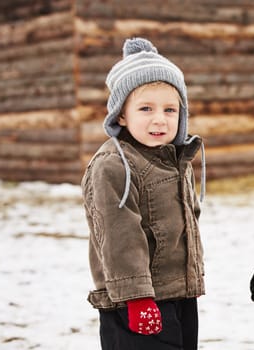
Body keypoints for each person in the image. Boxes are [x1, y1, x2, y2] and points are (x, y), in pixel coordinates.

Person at [81, 37, 205, 350]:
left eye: (170, 110)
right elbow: (118, 236)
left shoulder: (176, 160)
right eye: (146, 108)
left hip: (178, 294)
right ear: (121, 114)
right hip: (136, 303)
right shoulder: (113, 166)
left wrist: (190, 279)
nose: (160, 119)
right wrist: (137, 298)